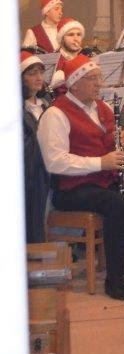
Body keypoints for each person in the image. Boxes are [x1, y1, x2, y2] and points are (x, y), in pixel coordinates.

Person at [39, 54, 124, 301]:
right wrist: (100, 163)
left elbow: (118, 151)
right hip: (72, 188)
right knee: (118, 203)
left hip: (106, 180)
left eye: (99, 78)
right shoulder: (56, 114)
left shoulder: (101, 108)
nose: (99, 84)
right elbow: (55, 161)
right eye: (92, 79)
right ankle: (115, 279)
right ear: (74, 84)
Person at [22, 51, 51, 243]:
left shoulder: (47, 105)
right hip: (29, 172)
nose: (39, 78)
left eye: (41, 72)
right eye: (33, 73)